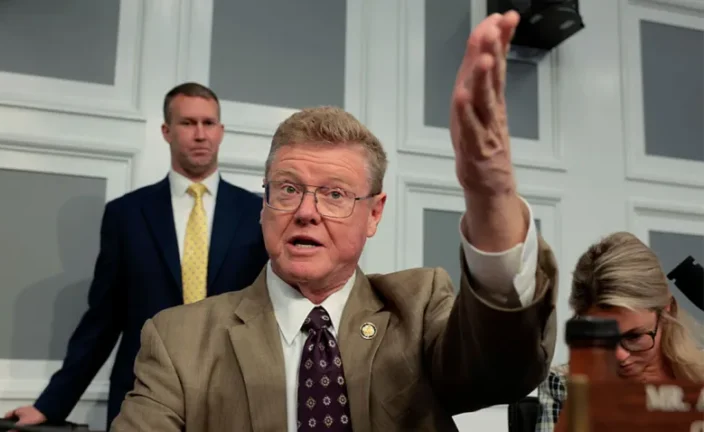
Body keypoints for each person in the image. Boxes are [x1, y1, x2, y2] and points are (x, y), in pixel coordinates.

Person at [110, 11, 559, 432]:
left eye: (335, 194)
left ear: (374, 214)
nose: (307, 212)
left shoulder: (417, 313)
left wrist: (490, 198)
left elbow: (503, 371)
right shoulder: (178, 340)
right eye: (288, 189)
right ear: (264, 204)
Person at [5, 82, 269, 428]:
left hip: (234, 394)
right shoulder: (126, 214)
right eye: (188, 123)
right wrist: (50, 405)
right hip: (145, 394)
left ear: (220, 131)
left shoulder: (259, 213)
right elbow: (103, 319)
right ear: (166, 131)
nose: (200, 134)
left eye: (208, 123)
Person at [535, 231, 704, 432]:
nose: (619, 355)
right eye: (603, 339)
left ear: (666, 311)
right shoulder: (564, 387)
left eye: (634, 336)